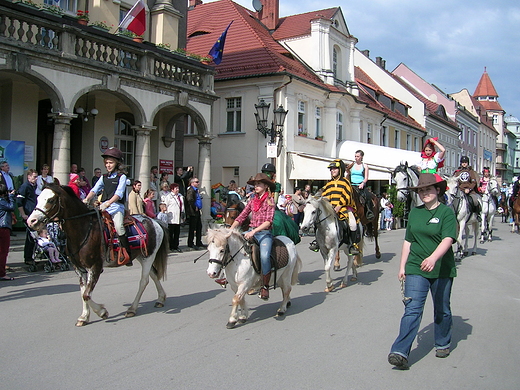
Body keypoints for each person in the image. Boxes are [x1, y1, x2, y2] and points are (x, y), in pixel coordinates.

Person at [388, 173, 457, 369]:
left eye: (428, 189)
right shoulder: (415, 213)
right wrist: (402, 266)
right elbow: (408, 241)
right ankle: (400, 351)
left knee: (442, 309)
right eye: (421, 190)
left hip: (442, 268)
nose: (424, 193)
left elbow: (448, 239)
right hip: (416, 267)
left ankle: (443, 342)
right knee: (412, 309)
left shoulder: (446, 213)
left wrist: (434, 258)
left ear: (438, 190)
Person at [231, 173, 276, 300]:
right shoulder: (252, 201)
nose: (255, 186)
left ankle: (265, 286)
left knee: (264, 256)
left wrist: (254, 231)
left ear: (266, 186)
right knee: (232, 247)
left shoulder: (270, 201)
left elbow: (268, 221)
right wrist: (230, 230)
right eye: (255, 184)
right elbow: (242, 217)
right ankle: (227, 277)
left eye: (258, 184)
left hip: (264, 234)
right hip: (250, 231)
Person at [83, 147, 132, 266]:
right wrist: (86, 199)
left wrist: (108, 203)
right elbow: (95, 189)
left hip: (116, 207)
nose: (108, 165)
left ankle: (127, 254)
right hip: (103, 207)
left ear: (117, 163)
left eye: (111, 163)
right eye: (106, 163)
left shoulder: (122, 177)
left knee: (119, 226)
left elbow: (119, 194)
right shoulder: (103, 177)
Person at [314, 159, 359, 255]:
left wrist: (339, 205)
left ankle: (352, 245)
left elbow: (347, 195)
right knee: (317, 220)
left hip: (343, 209)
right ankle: (317, 242)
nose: (332, 170)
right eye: (331, 169)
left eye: (335, 168)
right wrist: (314, 198)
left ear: (340, 169)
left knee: (353, 224)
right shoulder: (329, 184)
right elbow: (324, 195)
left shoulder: (345, 182)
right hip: (330, 209)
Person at [17, 169, 38, 267]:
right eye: (34, 177)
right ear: (28, 177)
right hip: (28, 214)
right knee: (30, 237)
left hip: (33, 214)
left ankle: (32, 256)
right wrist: (23, 214)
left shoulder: (34, 186)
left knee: (34, 237)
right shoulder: (25, 186)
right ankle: (28, 258)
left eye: (36, 177)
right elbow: (19, 201)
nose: (36, 179)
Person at [347, 150, 374, 220]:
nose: (356, 158)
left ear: (361, 157)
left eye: (358, 156)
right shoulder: (352, 165)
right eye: (355, 156)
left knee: (367, 196)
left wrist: (362, 183)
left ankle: (369, 212)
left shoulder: (364, 166)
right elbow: (347, 173)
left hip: (360, 185)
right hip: (352, 185)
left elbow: (366, 177)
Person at [0, 184, 16, 280]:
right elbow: (11, 207)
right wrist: (11, 197)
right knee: (3, 252)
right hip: (3, 227)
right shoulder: (2, 201)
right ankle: (2, 273)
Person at [165, 182, 185, 252]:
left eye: (178, 188)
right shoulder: (168, 196)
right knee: (171, 233)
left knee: (177, 233)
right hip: (171, 217)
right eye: (176, 188)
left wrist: (183, 214)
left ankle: (176, 246)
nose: (177, 189)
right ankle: (170, 246)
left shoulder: (180, 196)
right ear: (172, 189)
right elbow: (165, 206)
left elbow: (182, 206)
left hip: (178, 217)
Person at [185, 177, 204, 250]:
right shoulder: (191, 190)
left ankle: (198, 242)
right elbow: (190, 199)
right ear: (192, 183)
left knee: (199, 227)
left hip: (197, 211)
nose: (198, 183)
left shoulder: (196, 190)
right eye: (196, 182)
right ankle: (190, 243)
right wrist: (194, 207)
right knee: (192, 228)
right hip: (193, 212)